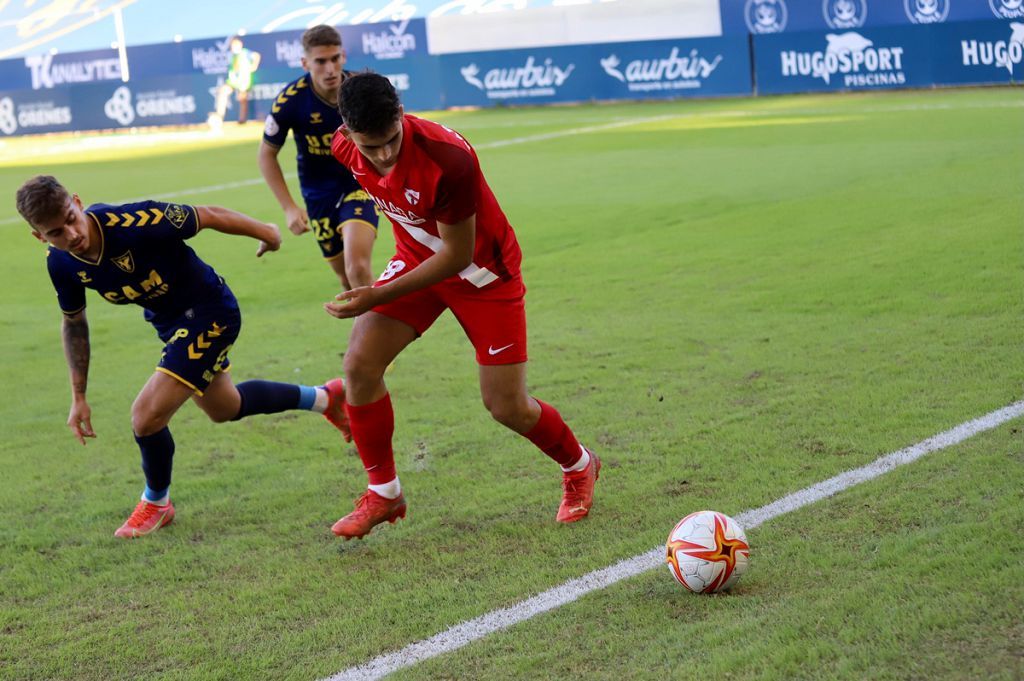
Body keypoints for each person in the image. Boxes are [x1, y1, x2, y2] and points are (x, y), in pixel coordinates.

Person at [325, 72, 600, 540]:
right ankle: (385, 493)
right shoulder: (343, 149)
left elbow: (457, 255)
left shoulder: (448, 157)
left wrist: (376, 294)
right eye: (372, 147)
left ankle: (580, 465)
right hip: (417, 263)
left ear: (401, 114)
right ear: (348, 134)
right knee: (359, 366)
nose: (385, 155)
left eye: (392, 139)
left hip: (484, 275)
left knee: (506, 406)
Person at [15, 175, 349, 539]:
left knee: (145, 417)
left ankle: (157, 503)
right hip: (170, 324)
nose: (71, 234)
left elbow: (207, 214)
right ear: (40, 237)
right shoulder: (61, 264)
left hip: (211, 311)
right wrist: (78, 396)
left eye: (70, 218)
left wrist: (267, 232)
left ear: (77, 202)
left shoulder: (134, 222)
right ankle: (326, 397)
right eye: (55, 232)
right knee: (224, 407)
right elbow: (74, 323)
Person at [258, 25, 378, 291]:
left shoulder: (361, 90)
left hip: (360, 184)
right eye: (320, 61)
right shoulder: (290, 101)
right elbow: (266, 155)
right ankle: (367, 329)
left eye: (335, 59)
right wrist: (289, 207)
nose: (330, 69)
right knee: (346, 279)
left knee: (357, 267)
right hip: (317, 194)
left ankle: (379, 330)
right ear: (305, 63)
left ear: (343, 56)